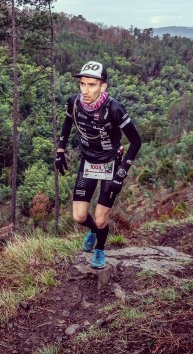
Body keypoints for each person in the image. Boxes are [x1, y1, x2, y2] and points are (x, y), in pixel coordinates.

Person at [55, 61, 142, 269]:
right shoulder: (74, 103)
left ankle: (100, 250)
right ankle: (93, 231)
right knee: (79, 216)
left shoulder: (115, 108)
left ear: (103, 86)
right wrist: (60, 150)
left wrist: (121, 173)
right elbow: (67, 122)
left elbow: (136, 141)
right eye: (82, 84)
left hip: (111, 164)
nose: (85, 90)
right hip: (88, 162)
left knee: (102, 219)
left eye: (92, 85)